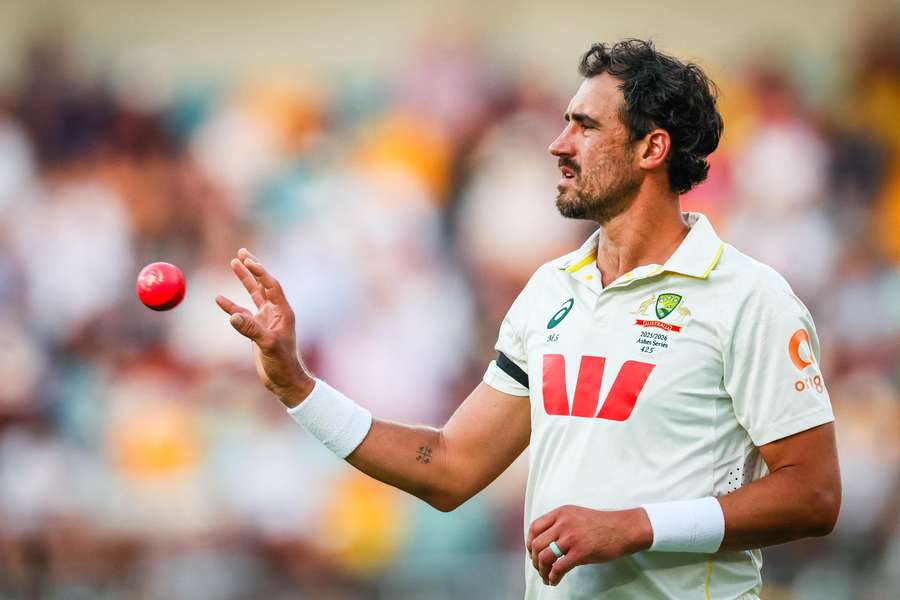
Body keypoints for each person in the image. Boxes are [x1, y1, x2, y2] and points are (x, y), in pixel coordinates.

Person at [215, 39, 840, 599]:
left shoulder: (749, 298)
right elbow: (451, 466)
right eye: (566, 122)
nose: (558, 143)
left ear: (653, 147)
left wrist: (636, 526)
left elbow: (813, 494)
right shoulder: (549, 290)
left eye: (586, 126)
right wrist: (296, 386)